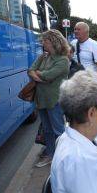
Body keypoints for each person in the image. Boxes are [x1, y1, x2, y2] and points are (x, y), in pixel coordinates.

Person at [28, 29, 69, 167]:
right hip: (41, 99)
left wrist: (40, 75)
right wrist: (41, 76)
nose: (42, 43)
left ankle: (64, 157)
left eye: (44, 40)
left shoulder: (63, 60)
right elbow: (30, 70)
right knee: (47, 129)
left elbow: (49, 76)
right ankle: (51, 154)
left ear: (53, 42)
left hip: (54, 100)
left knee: (58, 130)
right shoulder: (43, 57)